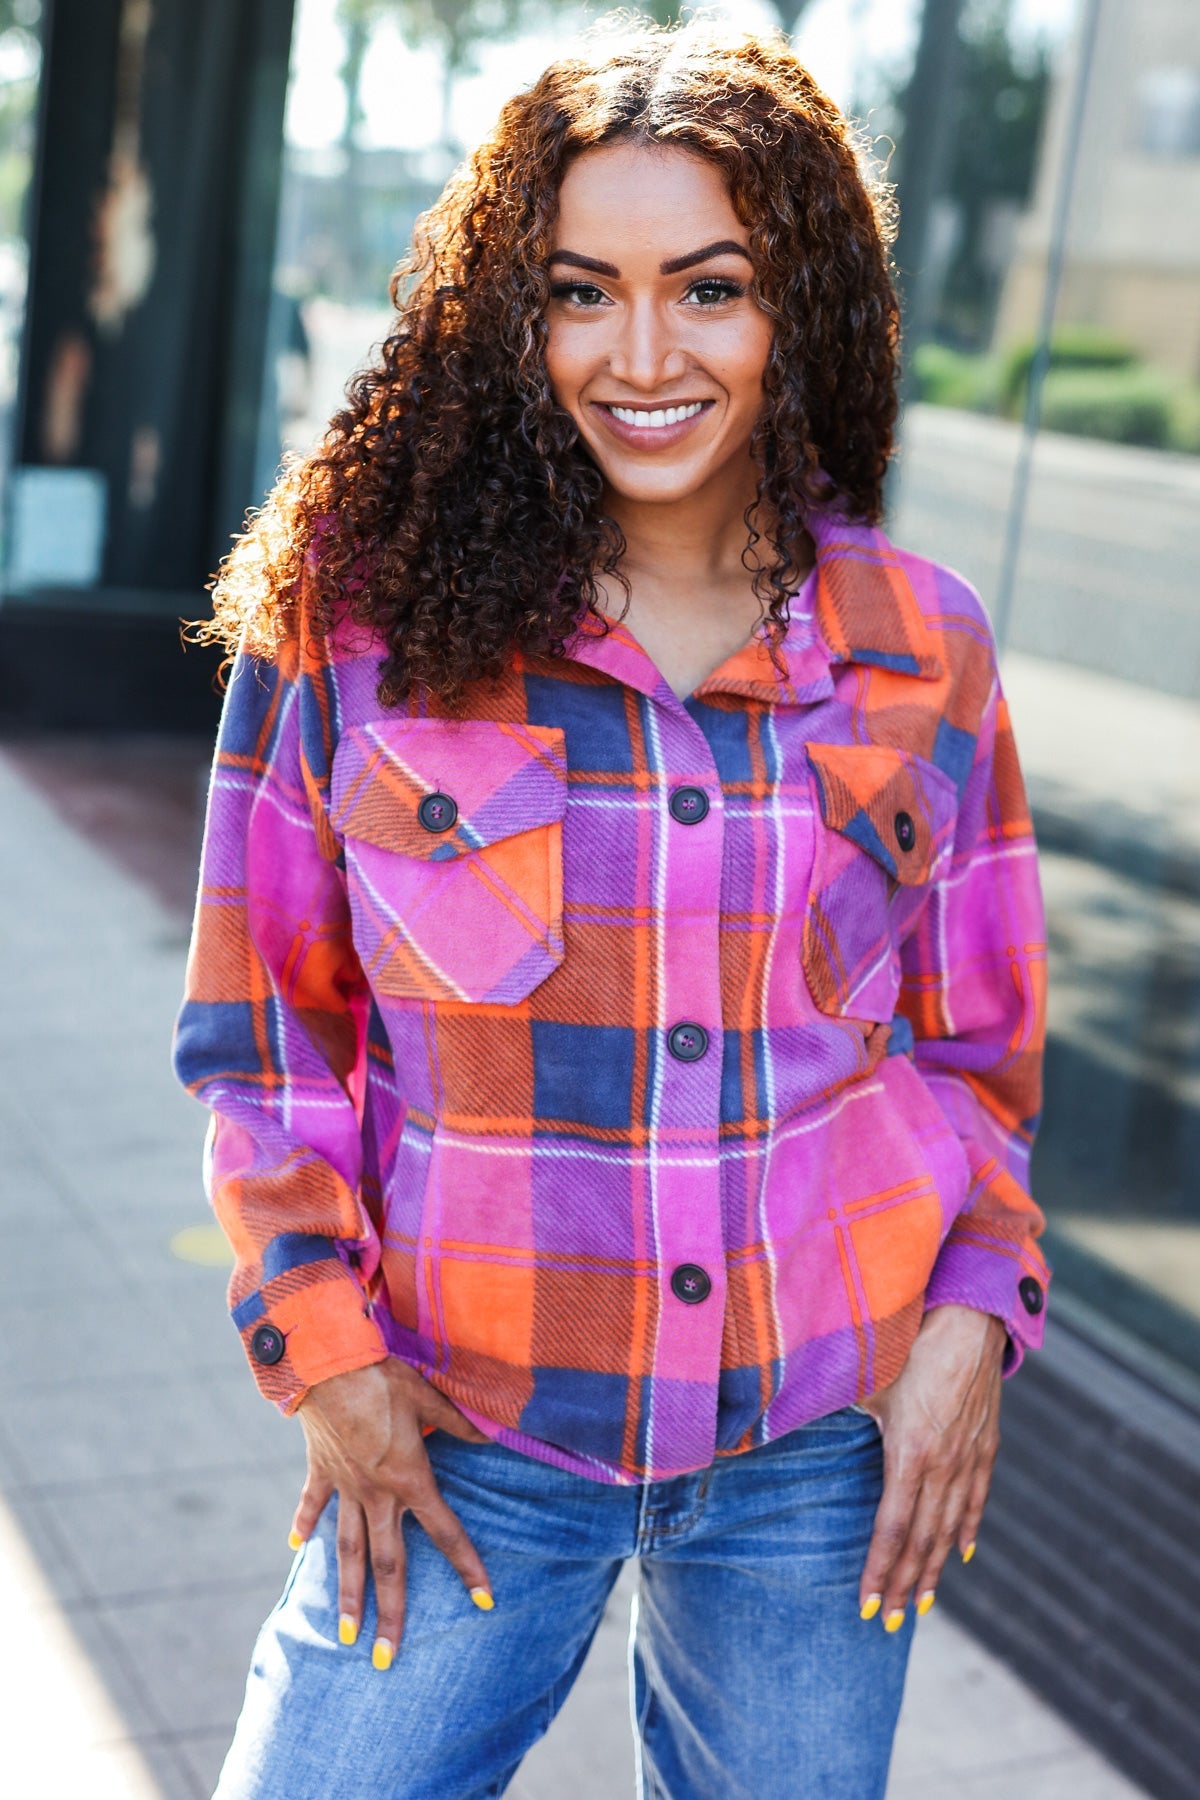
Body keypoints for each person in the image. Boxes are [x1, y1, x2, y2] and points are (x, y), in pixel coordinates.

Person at [174, 19, 1049, 1798]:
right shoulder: (364, 620)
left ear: (795, 303)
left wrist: (976, 1316)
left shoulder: (925, 645)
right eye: (584, 292)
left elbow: (980, 1054)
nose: (642, 355)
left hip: (814, 1441)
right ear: (517, 313)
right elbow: (264, 1027)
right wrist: (321, 1354)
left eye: (709, 288)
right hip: (459, 1423)